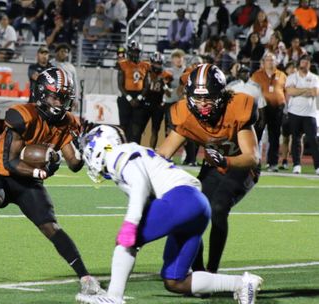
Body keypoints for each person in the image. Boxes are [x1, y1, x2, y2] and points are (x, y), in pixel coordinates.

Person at [75, 125, 263, 304]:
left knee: (126, 241)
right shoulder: (132, 152)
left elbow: (140, 184)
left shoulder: (117, 154)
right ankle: (241, 283)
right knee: (175, 280)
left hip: (181, 198)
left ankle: (114, 296)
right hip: (198, 205)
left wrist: (131, 223)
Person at [0, 67, 103, 297]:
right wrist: (40, 172)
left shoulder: (66, 122)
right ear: (41, 93)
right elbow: (10, 161)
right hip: (4, 175)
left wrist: (86, 150)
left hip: (29, 183)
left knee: (51, 227)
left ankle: (85, 277)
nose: (60, 102)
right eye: (55, 96)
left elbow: (74, 164)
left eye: (64, 98)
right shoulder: (22, 115)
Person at [157, 63, 261, 274]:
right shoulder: (185, 114)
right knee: (191, 212)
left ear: (221, 95)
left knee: (218, 209)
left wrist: (226, 162)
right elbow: (162, 154)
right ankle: (198, 271)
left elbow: (252, 157)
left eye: (209, 98)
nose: (203, 104)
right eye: (198, 98)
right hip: (213, 164)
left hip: (239, 164)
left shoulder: (237, 107)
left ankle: (212, 272)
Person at [251, 52, 287, 171]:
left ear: (276, 62)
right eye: (268, 59)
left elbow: (285, 91)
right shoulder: (257, 74)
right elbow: (251, 90)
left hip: (277, 108)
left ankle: (273, 163)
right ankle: (254, 161)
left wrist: (284, 104)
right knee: (257, 136)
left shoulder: (282, 75)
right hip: (261, 109)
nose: (270, 62)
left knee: (274, 136)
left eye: (272, 60)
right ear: (263, 62)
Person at [285, 54, 319, 175]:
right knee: (296, 139)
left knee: (313, 139)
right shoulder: (292, 77)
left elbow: (315, 92)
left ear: (309, 64)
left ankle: (317, 166)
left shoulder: (314, 78)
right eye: (303, 61)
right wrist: (306, 90)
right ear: (299, 63)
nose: (304, 63)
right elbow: (290, 91)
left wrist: (298, 90)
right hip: (294, 112)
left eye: (307, 62)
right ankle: (296, 165)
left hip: (310, 113)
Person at [115, 40, 150, 143]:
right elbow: (120, 84)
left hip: (139, 97)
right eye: (133, 51)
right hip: (126, 96)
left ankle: (135, 145)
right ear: (129, 51)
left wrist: (139, 98)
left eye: (137, 51)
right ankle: (122, 144)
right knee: (124, 124)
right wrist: (130, 98)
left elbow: (147, 84)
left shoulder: (145, 65)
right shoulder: (123, 64)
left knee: (137, 124)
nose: (135, 54)